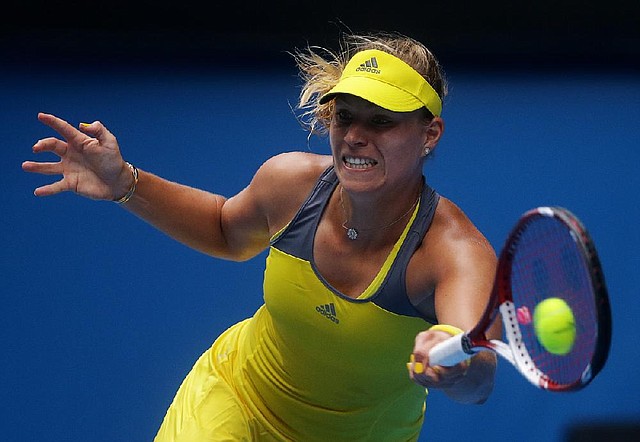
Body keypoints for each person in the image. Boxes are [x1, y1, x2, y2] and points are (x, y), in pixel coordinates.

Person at [23, 31, 500, 441]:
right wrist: (125, 183)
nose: (355, 135)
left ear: (429, 133)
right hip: (235, 398)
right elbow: (226, 231)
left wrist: (455, 369)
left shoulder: (454, 254)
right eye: (344, 117)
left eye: (381, 121)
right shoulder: (290, 182)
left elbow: (479, 380)